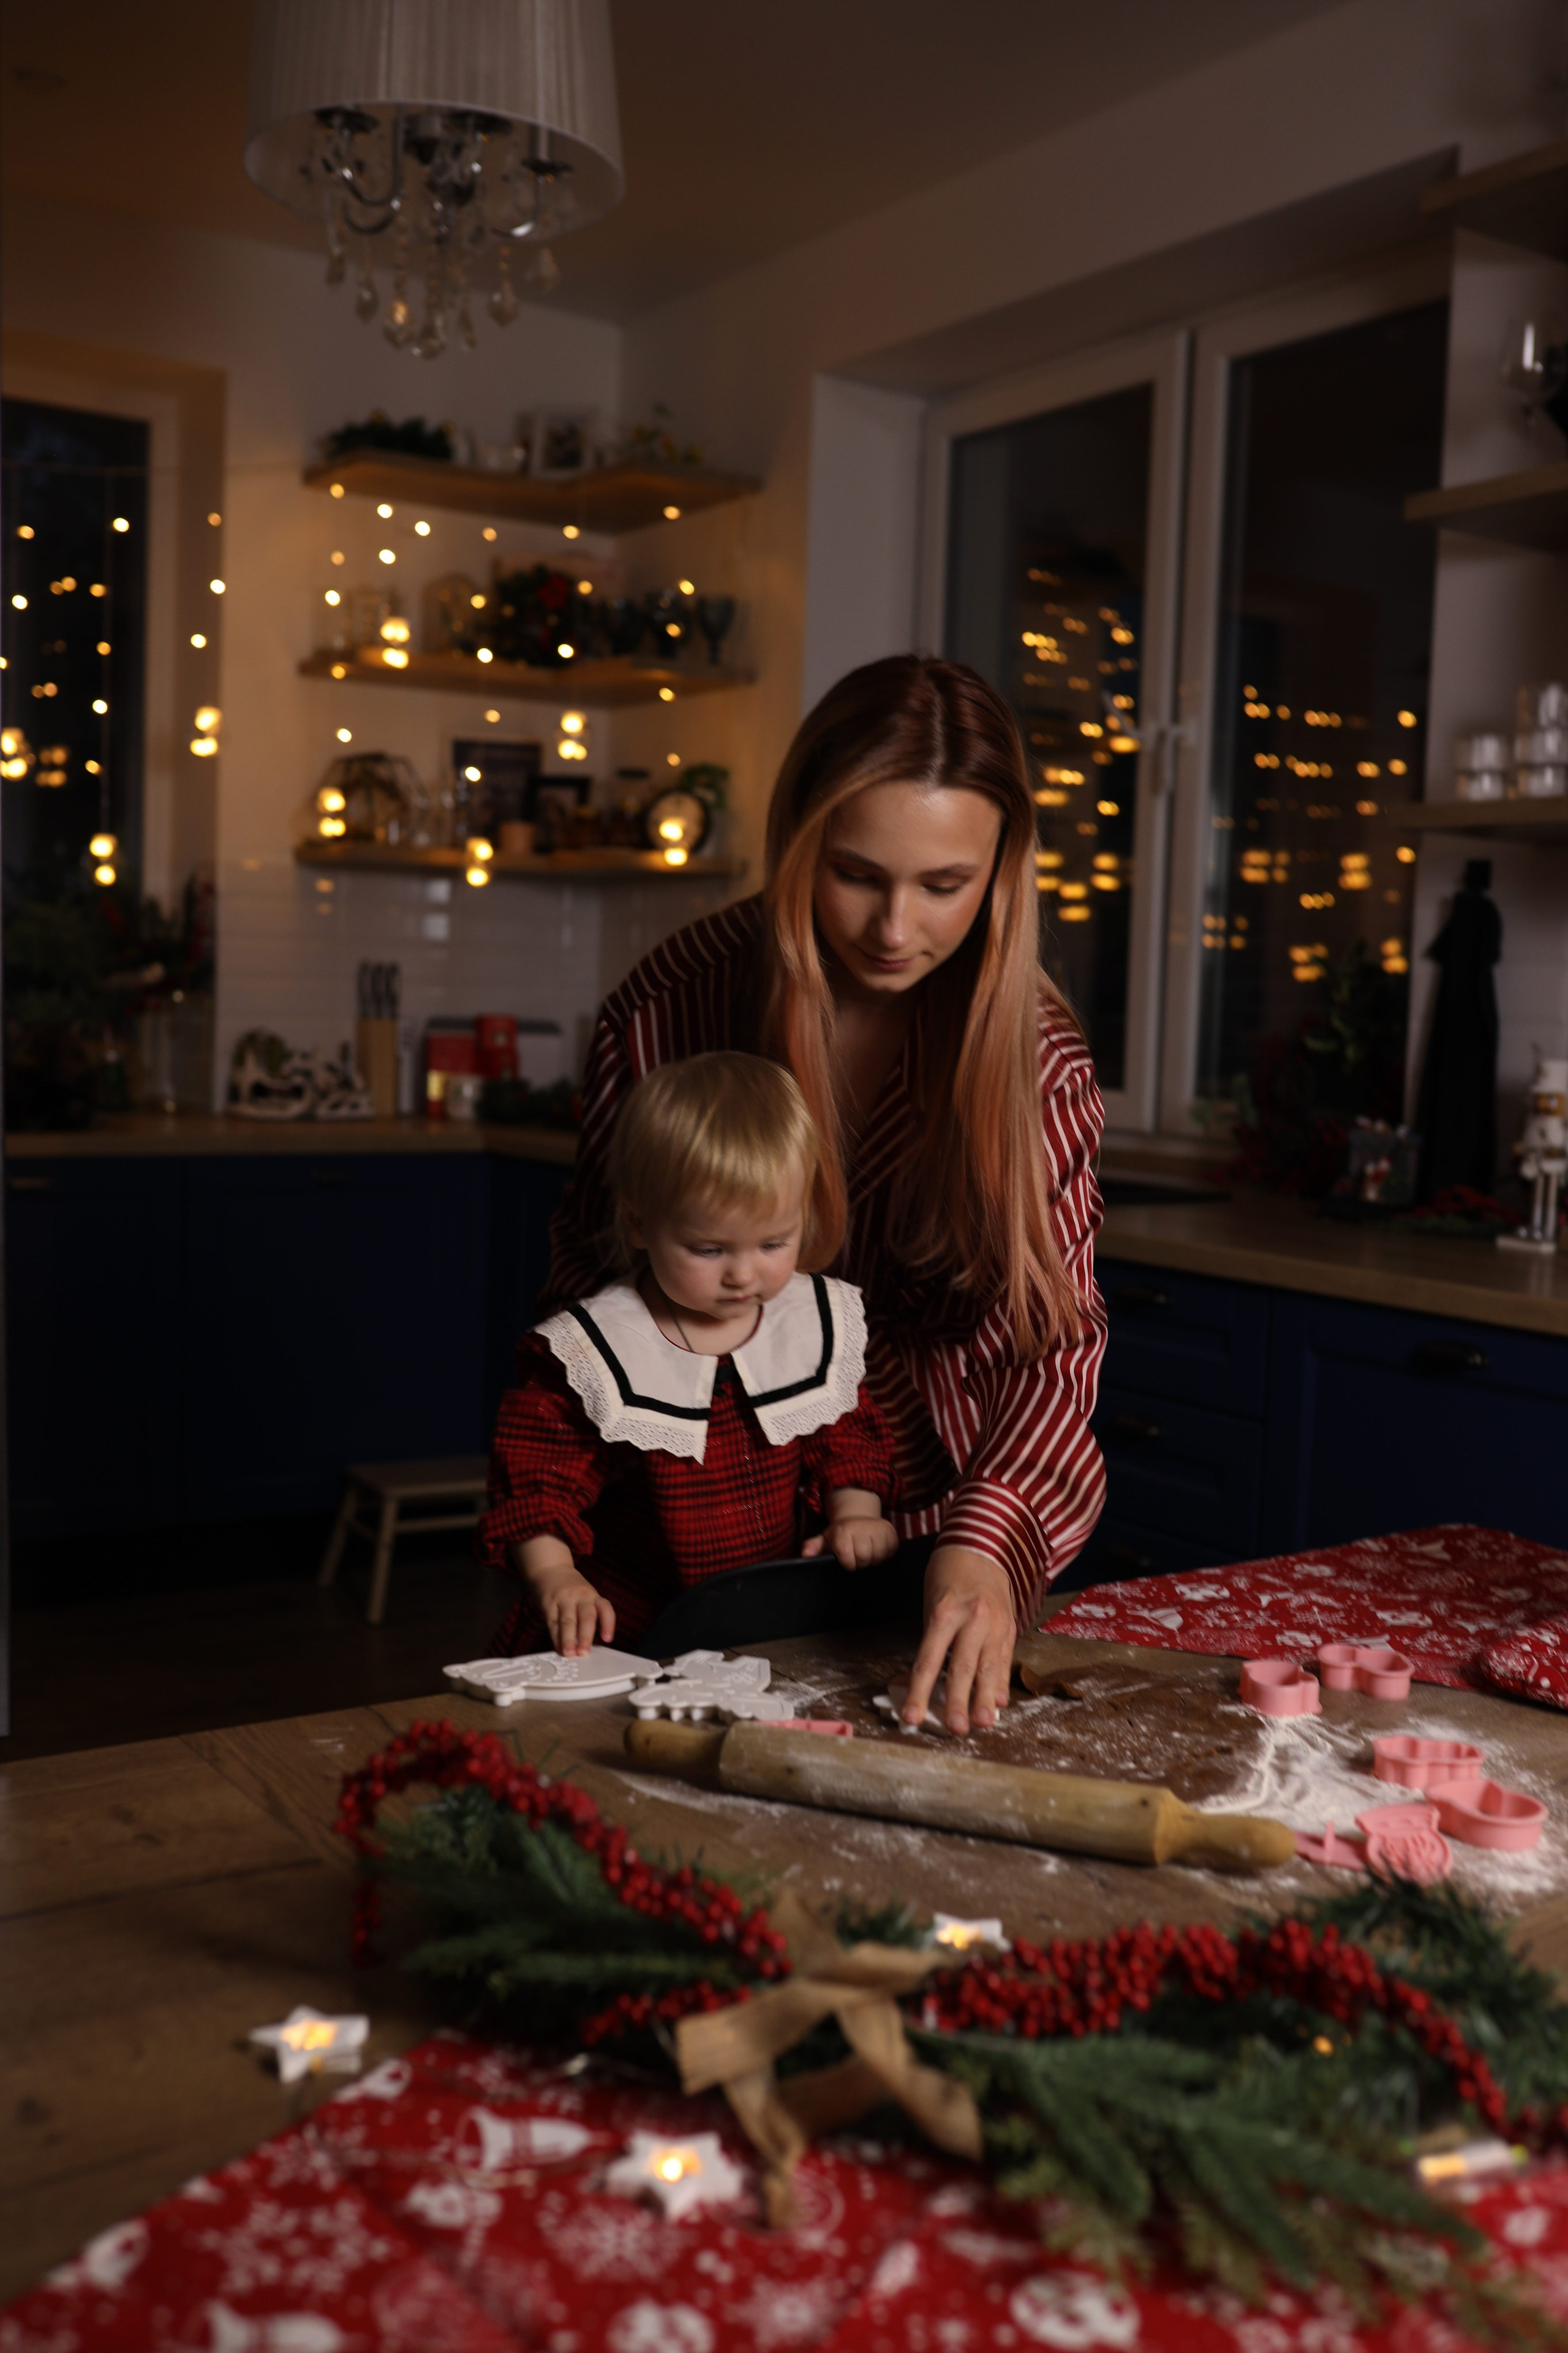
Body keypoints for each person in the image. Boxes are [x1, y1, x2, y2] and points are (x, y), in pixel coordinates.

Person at [542, 653, 1108, 1734]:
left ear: (1004, 868)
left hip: (940, 1543)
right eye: (856, 873)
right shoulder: (669, 1008)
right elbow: (585, 1310)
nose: (896, 928)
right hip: (688, 1543)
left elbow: (1056, 1350)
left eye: (945, 886)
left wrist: (986, 1546)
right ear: (797, 836)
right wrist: (563, 1542)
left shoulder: (1038, 1060)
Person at [481, 1051, 900, 1656]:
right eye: (708, 1249)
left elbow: (845, 1437)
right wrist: (554, 1574)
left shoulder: (807, 1324)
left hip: (762, 1626)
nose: (742, 1274)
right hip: (628, 1633)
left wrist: (856, 1512)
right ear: (638, 1224)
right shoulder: (598, 1352)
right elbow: (537, 1481)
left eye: (774, 1242)